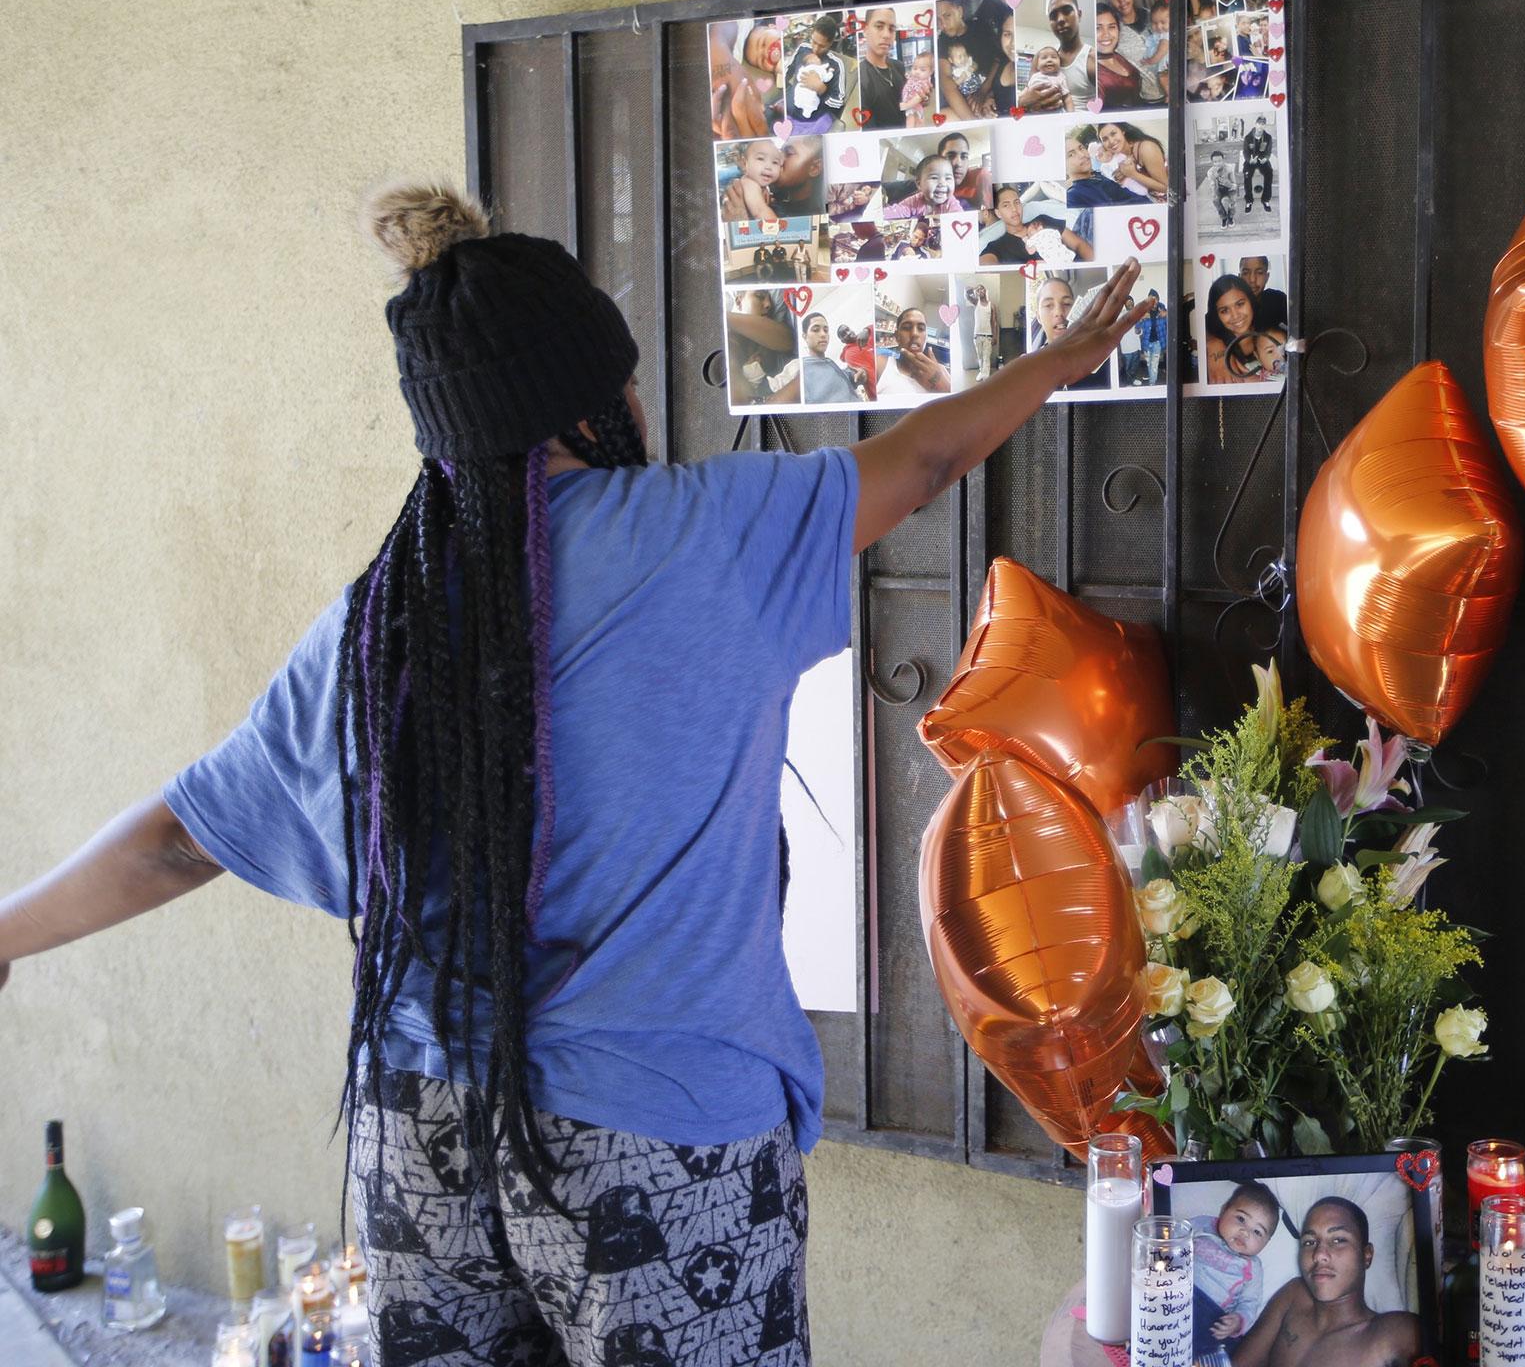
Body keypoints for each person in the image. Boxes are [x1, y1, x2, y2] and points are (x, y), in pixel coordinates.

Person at [0, 179, 1157, 1367]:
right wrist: (1059, 358)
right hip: (653, 1140)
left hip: (422, 1131)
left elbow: (177, 840)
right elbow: (921, 462)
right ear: (596, 398)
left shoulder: (376, 620)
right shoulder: (711, 532)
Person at [1230, 1198, 1423, 1367]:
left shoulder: (1394, 1332)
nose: (1319, 1255)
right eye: (1309, 1242)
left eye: (1338, 1240)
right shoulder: (1293, 1295)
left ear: (1366, 1255)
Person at [1193, 1183, 1281, 1365]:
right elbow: (1173, 1236)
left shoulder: (1252, 1267)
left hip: (1213, 1317)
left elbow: (1249, 1303)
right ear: (1224, 1210)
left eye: (1257, 1232)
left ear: (1266, 1242)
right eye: (1241, 1219)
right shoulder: (1202, 1226)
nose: (1245, 1233)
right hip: (1181, 1293)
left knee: (1225, 1346)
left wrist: (1238, 1322)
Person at [1029, 273, 1110, 390]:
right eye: (1048, 305)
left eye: (1067, 304)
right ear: (1038, 317)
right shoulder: (1032, 367)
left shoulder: (1100, 359)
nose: (1059, 312)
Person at [979, 184, 1093, 266]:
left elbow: (1078, 244)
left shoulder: (1041, 220)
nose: (1014, 209)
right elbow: (985, 264)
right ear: (998, 213)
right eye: (1006, 205)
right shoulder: (997, 247)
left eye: (1017, 202)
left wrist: (1093, 265)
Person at [1207, 273, 1286, 384]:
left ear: (1251, 300)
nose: (1235, 315)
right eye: (1224, 310)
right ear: (1217, 315)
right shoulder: (1217, 343)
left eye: (1240, 304)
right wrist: (1213, 344)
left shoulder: (1269, 330)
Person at [784, 16, 846, 134]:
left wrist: (821, 89)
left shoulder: (836, 65)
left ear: (831, 43)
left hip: (812, 121)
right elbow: (786, 72)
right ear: (811, 34)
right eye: (814, 42)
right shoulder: (803, 48)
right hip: (788, 112)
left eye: (822, 46)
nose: (816, 49)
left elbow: (838, 102)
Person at [875, 305, 952, 396]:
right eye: (907, 327)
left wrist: (942, 385)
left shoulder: (942, 371)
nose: (914, 334)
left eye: (921, 328)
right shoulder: (880, 364)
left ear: (926, 337)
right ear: (897, 336)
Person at [1063, 132, 1148, 208]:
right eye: (1071, 155)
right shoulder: (1074, 196)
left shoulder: (1097, 175)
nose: (1082, 154)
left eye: (1081, 148)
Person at [857, 6, 907, 130]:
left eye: (892, 29)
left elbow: (906, 101)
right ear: (865, 30)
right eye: (879, 27)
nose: (886, 35)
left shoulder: (898, 66)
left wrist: (921, 98)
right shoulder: (860, 77)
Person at [797, 313, 863, 404]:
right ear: (805, 336)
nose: (823, 334)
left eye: (826, 330)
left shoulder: (828, 363)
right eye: (816, 330)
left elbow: (840, 378)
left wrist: (857, 375)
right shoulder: (803, 369)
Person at [879, 153, 965, 220]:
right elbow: (897, 210)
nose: (942, 183)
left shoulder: (951, 203)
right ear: (919, 184)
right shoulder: (915, 201)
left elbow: (961, 218)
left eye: (948, 178)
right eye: (934, 177)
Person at [724, 139, 784, 222]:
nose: (769, 166)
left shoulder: (758, 183)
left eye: (775, 162)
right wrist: (778, 228)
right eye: (760, 159)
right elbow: (760, 211)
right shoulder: (750, 184)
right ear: (745, 164)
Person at [1096, 5, 1142, 109]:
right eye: (1098, 28)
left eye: (1111, 27)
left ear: (1118, 30)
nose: (1106, 34)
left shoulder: (1119, 55)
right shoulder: (1092, 70)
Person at [936, 131, 992, 208]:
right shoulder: (931, 185)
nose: (959, 163)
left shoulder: (980, 177)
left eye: (964, 157)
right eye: (950, 156)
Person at [1021, 42, 1074, 113]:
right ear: (1037, 65)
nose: (1049, 60)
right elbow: (1026, 91)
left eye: (1054, 57)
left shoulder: (1060, 77)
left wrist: (1071, 115)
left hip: (1057, 112)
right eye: (1044, 58)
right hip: (1036, 113)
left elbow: (1067, 97)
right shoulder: (1035, 76)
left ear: (1060, 64)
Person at [1240, 255, 1288, 333]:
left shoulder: (1278, 301)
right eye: (1246, 273)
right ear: (1239, 277)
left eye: (1259, 273)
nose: (1252, 279)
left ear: (1267, 277)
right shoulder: (1233, 305)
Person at [1242, 115, 1276, 213]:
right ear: (1255, 124)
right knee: (1247, 174)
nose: (1261, 126)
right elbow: (1245, 152)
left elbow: (1268, 152)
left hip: (1262, 160)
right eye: (1259, 124)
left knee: (1269, 172)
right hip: (1251, 160)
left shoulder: (1268, 137)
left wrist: (1266, 158)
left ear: (1265, 126)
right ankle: (1249, 201)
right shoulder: (1248, 137)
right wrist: (1249, 160)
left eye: (1263, 124)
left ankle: (1265, 200)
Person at [1203, 150, 1240, 231]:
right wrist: (1215, 179)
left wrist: (1229, 184)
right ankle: (1224, 217)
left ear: (1223, 160)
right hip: (1219, 189)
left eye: (1219, 161)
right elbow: (1212, 186)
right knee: (1215, 200)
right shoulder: (1210, 172)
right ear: (1212, 162)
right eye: (1215, 162)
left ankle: (1230, 217)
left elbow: (1235, 184)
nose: (1218, 163)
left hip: (1229, 189)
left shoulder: (1229, 168)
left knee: (1233, 200)